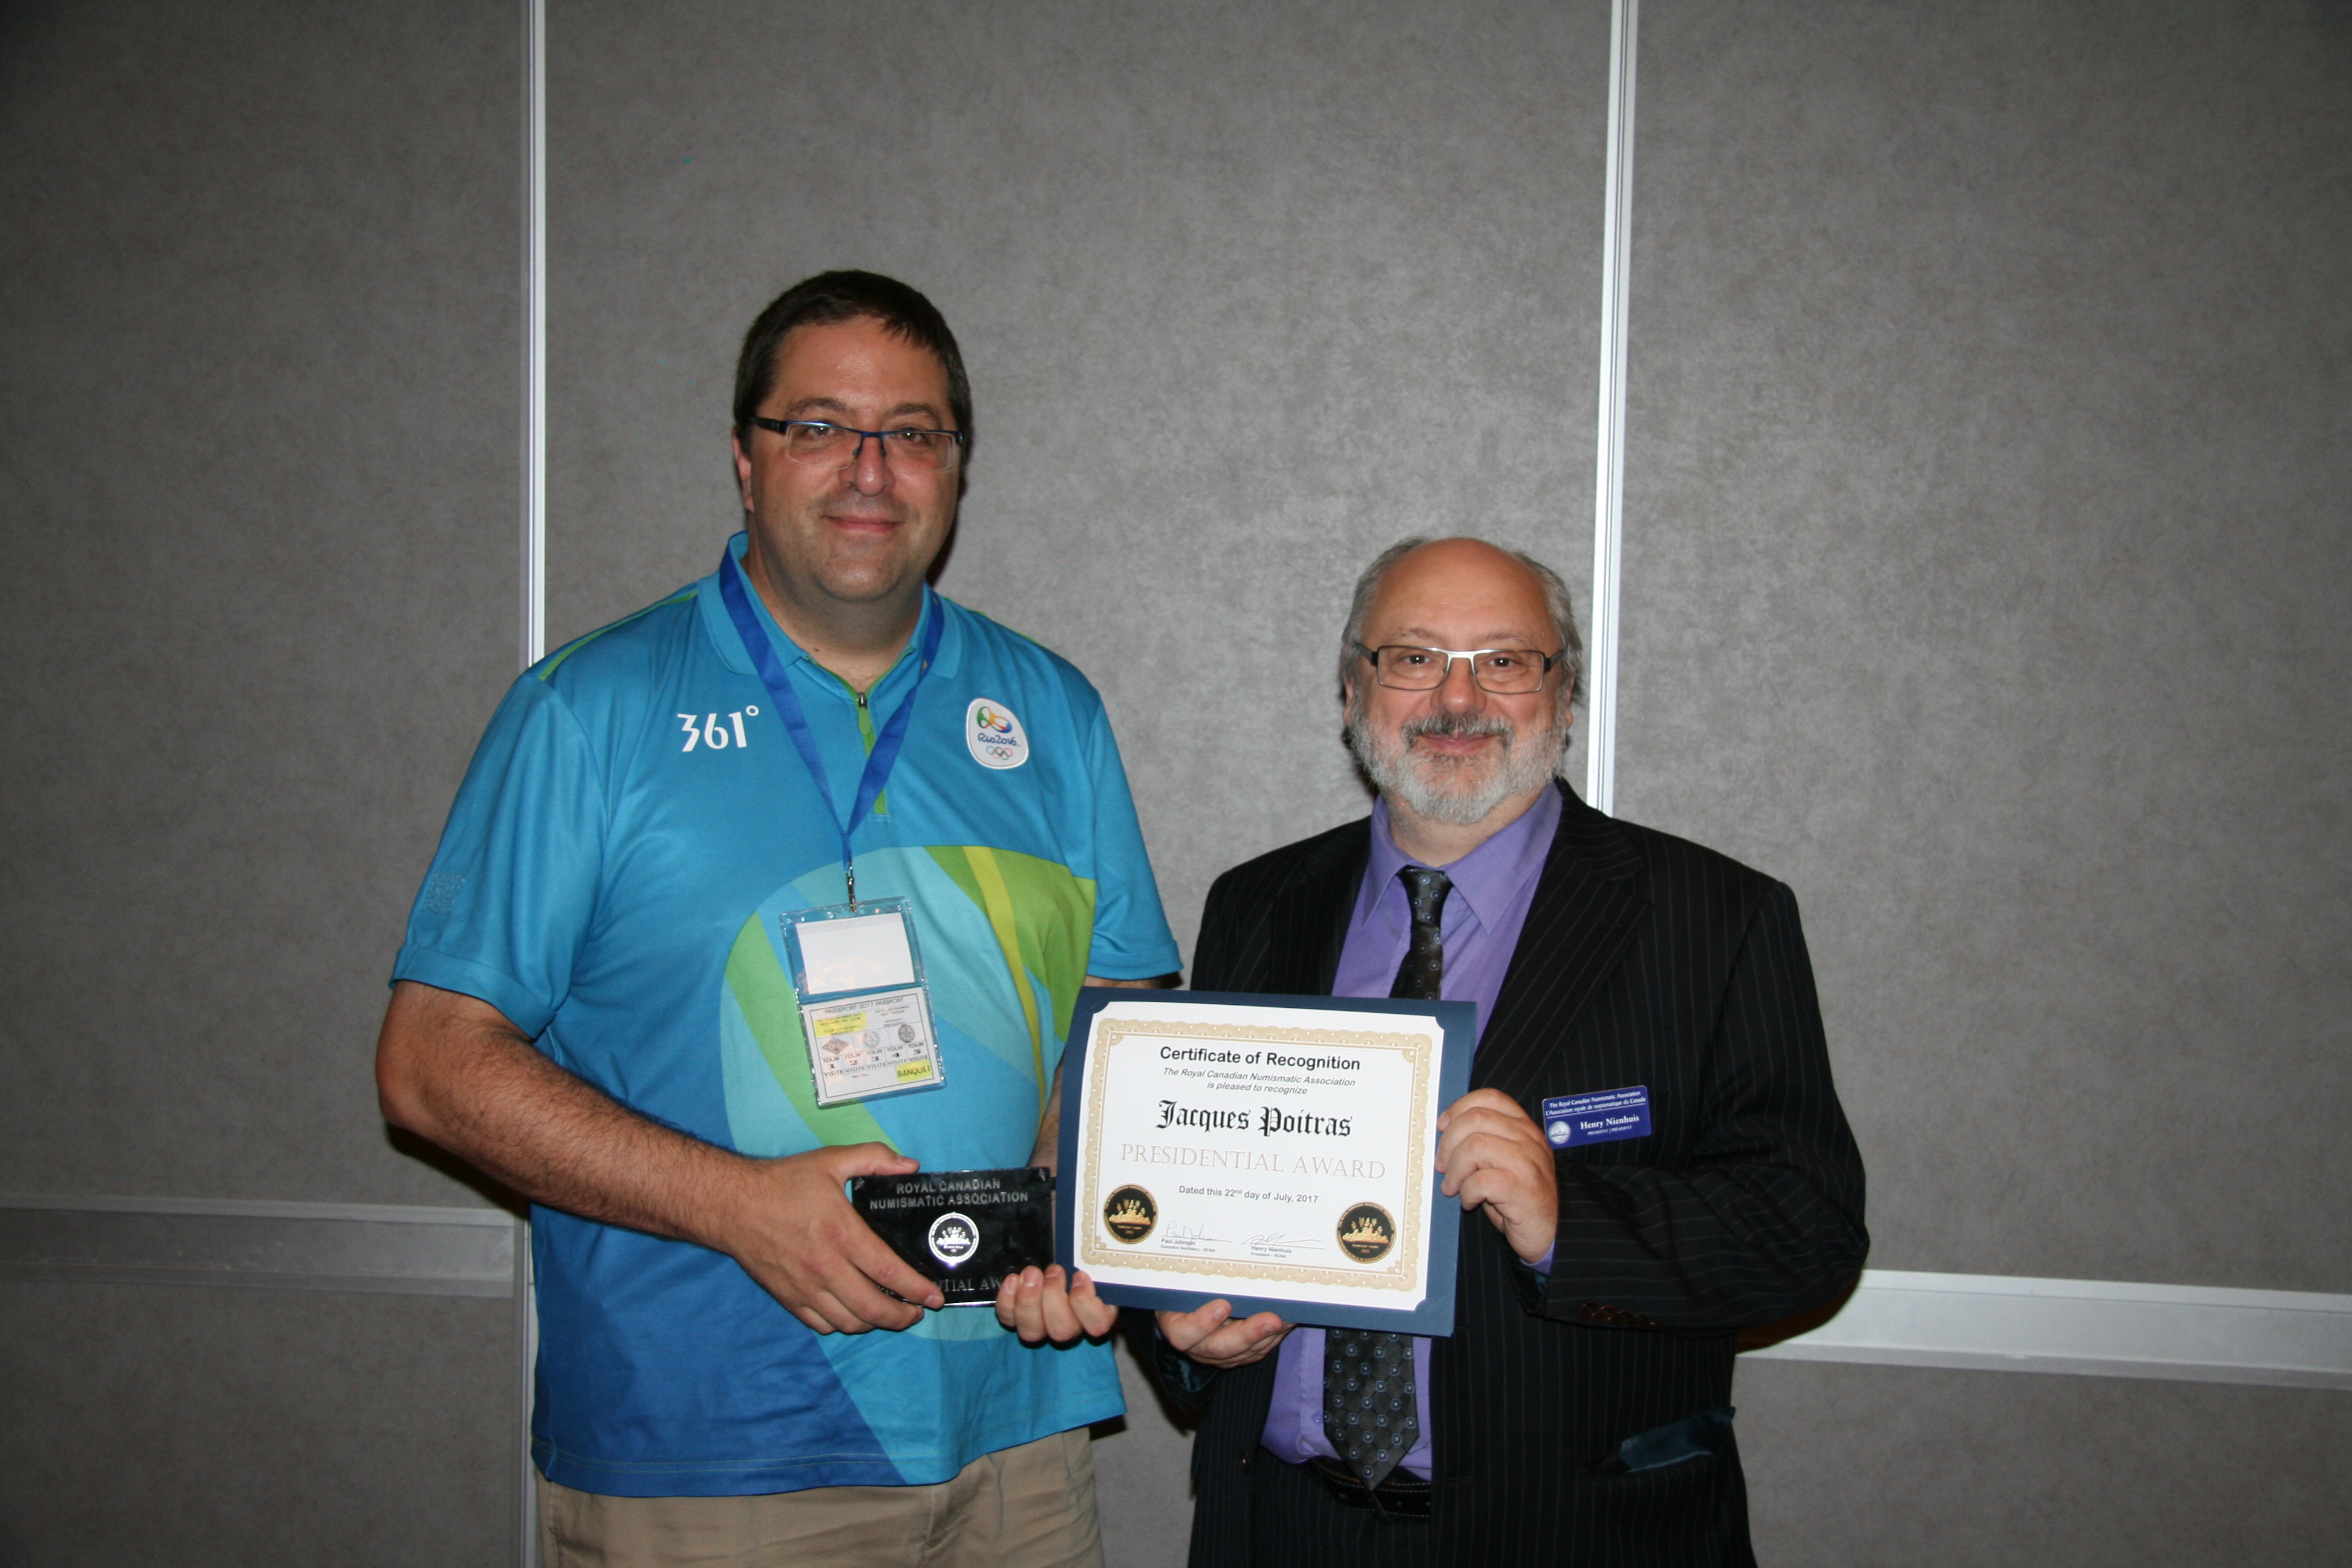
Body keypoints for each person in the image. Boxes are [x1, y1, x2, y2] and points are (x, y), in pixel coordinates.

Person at [377, 270, 1180, 1567]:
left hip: (1015, 1440)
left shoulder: (1051, 711)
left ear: (956, 467)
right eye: (819, 427)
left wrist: (1063, 1204)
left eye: (911, 432)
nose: (869, 470)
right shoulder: (592, 711)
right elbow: (429, 1066)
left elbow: (1117, 1009)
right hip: (712, 1451)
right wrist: (736, 1204)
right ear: (746, 461)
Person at [1155, 537, 1867, 1567]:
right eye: (1414, 658)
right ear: (1353, 690)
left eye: (1504, 660)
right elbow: (1193, 1189)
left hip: (1579, 1536)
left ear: (1563, 694)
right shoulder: (1257, 904)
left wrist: (1571, 1222)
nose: (1458, 699)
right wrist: (1186, 1330)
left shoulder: (1715, 919)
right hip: (1284, 1527)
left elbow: (1809, 1228)